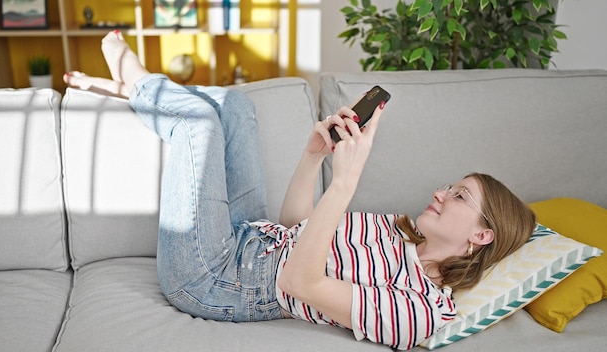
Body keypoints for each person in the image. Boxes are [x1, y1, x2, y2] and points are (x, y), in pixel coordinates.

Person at [64, 30, 537, 350]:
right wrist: (314, 157)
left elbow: (297, 283)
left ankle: (139, 83)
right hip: (251, 232)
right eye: (449, 187)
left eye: (458, 197)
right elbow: (294, 227)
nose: (440, 193)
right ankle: (139, 92)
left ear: (482, 235)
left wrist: (346, 183)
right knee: (235, 105)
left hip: (214, 278)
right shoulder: (396, 230)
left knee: (198, 124)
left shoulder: (421, 310)